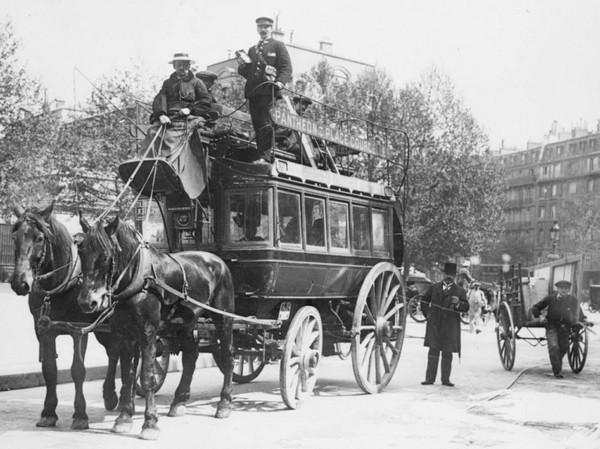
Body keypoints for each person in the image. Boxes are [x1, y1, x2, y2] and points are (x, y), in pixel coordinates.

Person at [237, 16, 293, 165]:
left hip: (269, 91)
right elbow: (248, 73)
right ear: (257, 29)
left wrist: (280, 82)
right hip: (254, 91)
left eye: (266, 27)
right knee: (257, 123)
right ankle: (261, 155)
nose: (263, 29)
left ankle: (265, 157)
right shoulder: (252, 50)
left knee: (266, 123)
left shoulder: (277, 46)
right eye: (261, 27)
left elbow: (287, 67)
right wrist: (242, 66)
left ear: (271, 29)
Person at [420, 262, 469, 387]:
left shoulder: (460, 291)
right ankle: (429, 379)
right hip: (435, 325)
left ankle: (445, 379)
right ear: (443, 274)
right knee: (433, 351)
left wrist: (458, 304)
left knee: (447, 352)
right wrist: (428, 315)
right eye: (447, 274)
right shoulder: (434, 287)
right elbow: (424, 301)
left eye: (451, 275)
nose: (449, 277)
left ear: (455, 276)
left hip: (450, 326)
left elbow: (466, 307)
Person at [531, 280, 587, 378]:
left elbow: (579, 312)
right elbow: (535, 307)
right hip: (551, 326)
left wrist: (583, 321)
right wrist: (540, 316)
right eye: (561, 288)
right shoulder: (550, 298)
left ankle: (557, 364)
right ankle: (557, 371)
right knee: (553, 346)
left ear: (568, 289)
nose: (564, 290)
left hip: (565, 327)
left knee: (563, 348)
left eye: (566, 288)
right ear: (557, 289)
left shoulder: (572, 299)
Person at [149, 53, 212, 125]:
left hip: (191, 116)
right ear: (174, 66)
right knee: (153, 131)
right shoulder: (167, 83)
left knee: (196, 130)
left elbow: (205, 101)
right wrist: (161, 114)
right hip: (169, 116)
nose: (181, 67)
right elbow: (160, 98)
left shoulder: (197, 82)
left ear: (189, 66)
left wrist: (190, 110)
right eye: (179, 65)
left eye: (184, 65)